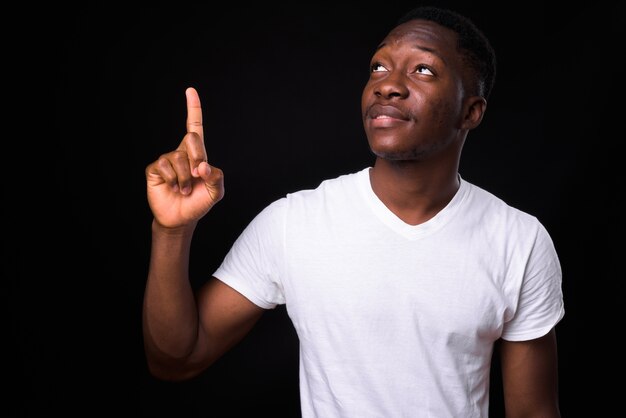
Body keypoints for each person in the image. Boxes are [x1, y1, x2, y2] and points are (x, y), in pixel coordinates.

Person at [143, 5, 564, 417]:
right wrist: (172, 232)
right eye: (379, 67)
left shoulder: (519, 241)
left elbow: (534, 410)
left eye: (422, 70)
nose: (388, 85)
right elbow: (177, 359)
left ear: (470, 112)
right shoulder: (294, 223)